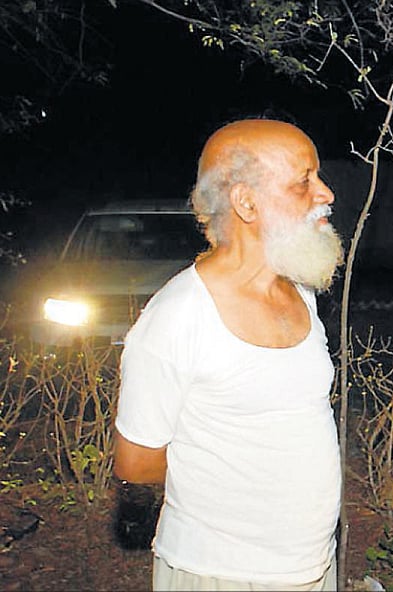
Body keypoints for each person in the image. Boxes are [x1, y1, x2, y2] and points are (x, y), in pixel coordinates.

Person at [113, 118, 345, 591]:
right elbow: (137, 463)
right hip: (221, 574)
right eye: (304, 181)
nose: (325, 193)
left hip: (315, 567)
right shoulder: (178, 317)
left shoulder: (301, 291)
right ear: (245, 202)